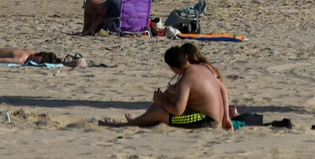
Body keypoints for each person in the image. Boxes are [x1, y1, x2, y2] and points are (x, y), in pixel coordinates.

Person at [99, 43, 234, 130]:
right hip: (216, 115)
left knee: (160, 111)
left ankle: (125, 126)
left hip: (206, 120)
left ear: (173, 67)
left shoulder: (186, 80)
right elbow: (222, 88)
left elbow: (178, 111)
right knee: (166, 97)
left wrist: (160, 100)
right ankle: (139, 120)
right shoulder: (204, 67)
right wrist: (226, 116)